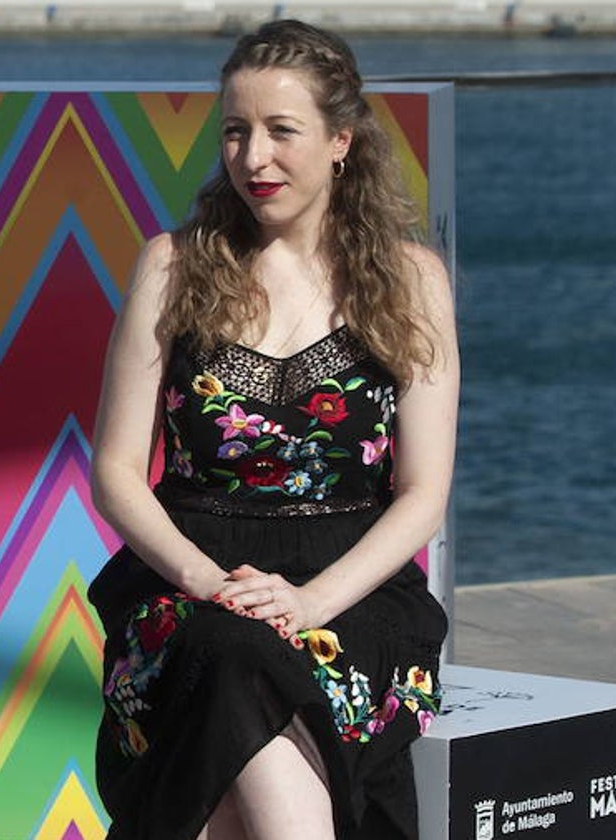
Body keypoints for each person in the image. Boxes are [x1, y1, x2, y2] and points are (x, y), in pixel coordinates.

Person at [88, 19, 458, 840]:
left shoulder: (412, 283)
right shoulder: (172, 266)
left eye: (281, 132)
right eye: (235, 131)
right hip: (190, 586)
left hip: (349, 595)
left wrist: (308, 602)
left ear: (340, 141)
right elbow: (115, 471)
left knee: (245, 677)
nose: (253, 158)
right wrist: (207, 581)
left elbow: (423, 493)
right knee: (229, 654)